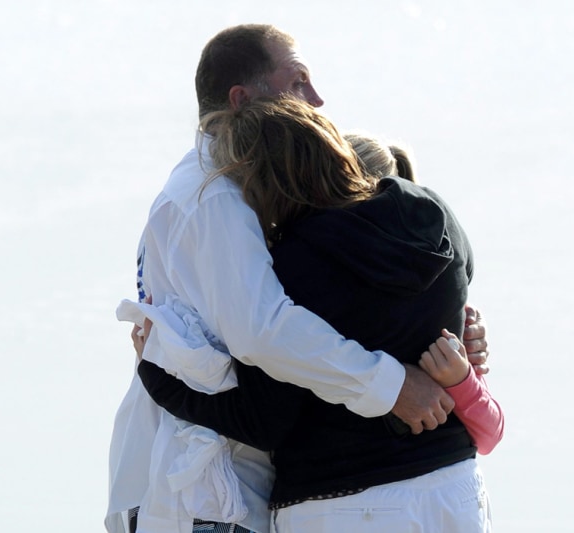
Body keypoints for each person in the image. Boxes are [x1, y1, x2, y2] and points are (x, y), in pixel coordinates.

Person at [106, 24, 490, 533]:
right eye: (298, 82)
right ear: (241, 100)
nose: (317, 100)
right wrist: (393, 384)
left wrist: (453, 341)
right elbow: (263, 331)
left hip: (225, 488)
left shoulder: (224, 195)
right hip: (207, 494)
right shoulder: (216, 197)